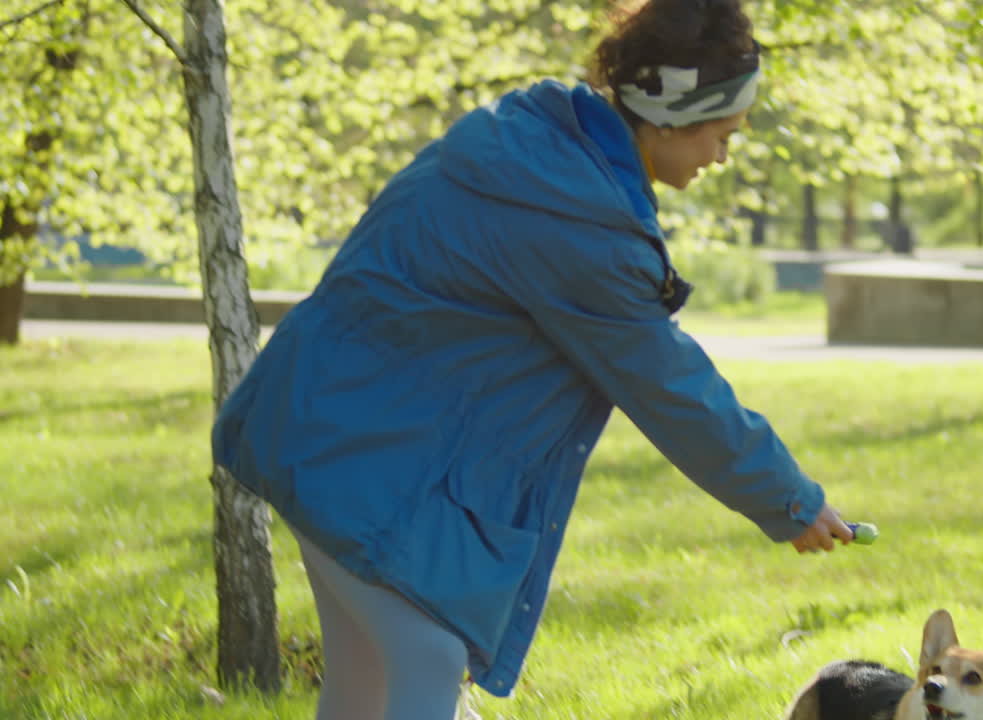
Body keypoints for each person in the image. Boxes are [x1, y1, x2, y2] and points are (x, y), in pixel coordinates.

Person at [211, 0, 857, 718]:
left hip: (317, 430)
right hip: (358, 457)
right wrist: (788, 497)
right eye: (723, 134)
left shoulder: (531, 147)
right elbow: (669, 385)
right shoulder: (580, 222)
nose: (723, 157)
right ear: (674, 115)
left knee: (370, 681)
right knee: (425, 660)